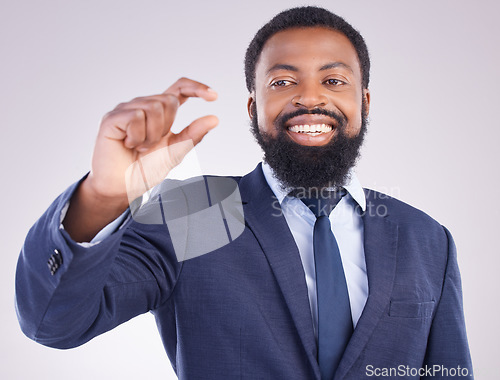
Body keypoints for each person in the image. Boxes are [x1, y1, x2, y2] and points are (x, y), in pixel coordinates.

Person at [15, 6, 473, 380]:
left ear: (364, 103)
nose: (309, 98)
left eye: (334, 80)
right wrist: (103, 195)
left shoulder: (425, 239)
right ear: (254, 107)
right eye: (282, 82)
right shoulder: (198, 212)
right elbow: (54, 323)